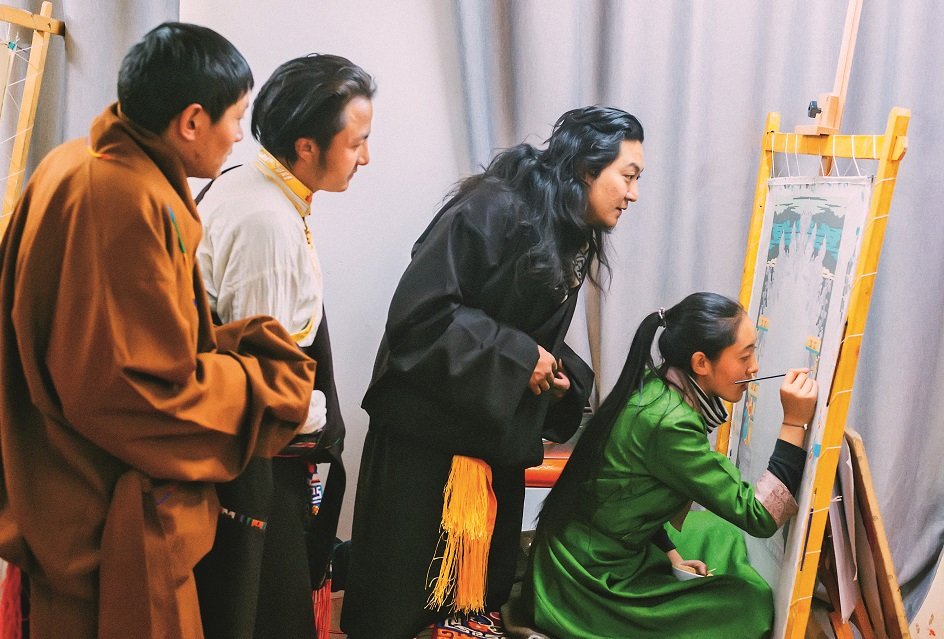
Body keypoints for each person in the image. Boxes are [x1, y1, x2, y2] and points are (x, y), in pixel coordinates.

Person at [0, 23, 316, 638]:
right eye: (236, 117)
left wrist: (219, 348)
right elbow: (128, 389)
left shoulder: (80, 160)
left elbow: (112, 338)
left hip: (70, 481)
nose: (239, 136)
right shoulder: (120, 199)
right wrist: (265, 385)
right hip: (103, 511)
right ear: (192, 120)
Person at [342, 106, 646, 639]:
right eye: (629, 175)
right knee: (404, 603)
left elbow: (517, 327)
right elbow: (419, 317)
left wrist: (558, 374)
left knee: (476, 603)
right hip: (425, 446)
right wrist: (519, 358)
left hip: (485, 443)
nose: (633, 193)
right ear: (584, 168)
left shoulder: (566, 226)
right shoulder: (494, 208)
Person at [192, 53, 374, 638]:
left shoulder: (255, 186)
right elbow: (254, 376)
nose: (365, 158)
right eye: (356, 143)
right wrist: (315, 410)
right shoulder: (265, 220)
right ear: (306, 146)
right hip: (253, 463)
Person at [520, 292, 818, 639]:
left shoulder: (659, 390)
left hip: (592, 547)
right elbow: (761, 516)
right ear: (701, 363)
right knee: (751, 603)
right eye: (745, 355)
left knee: (718, 531)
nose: (754, 368)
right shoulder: (669, 423)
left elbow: (628, 497)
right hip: (586, 582)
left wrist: (672, 555)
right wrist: (794, 423)